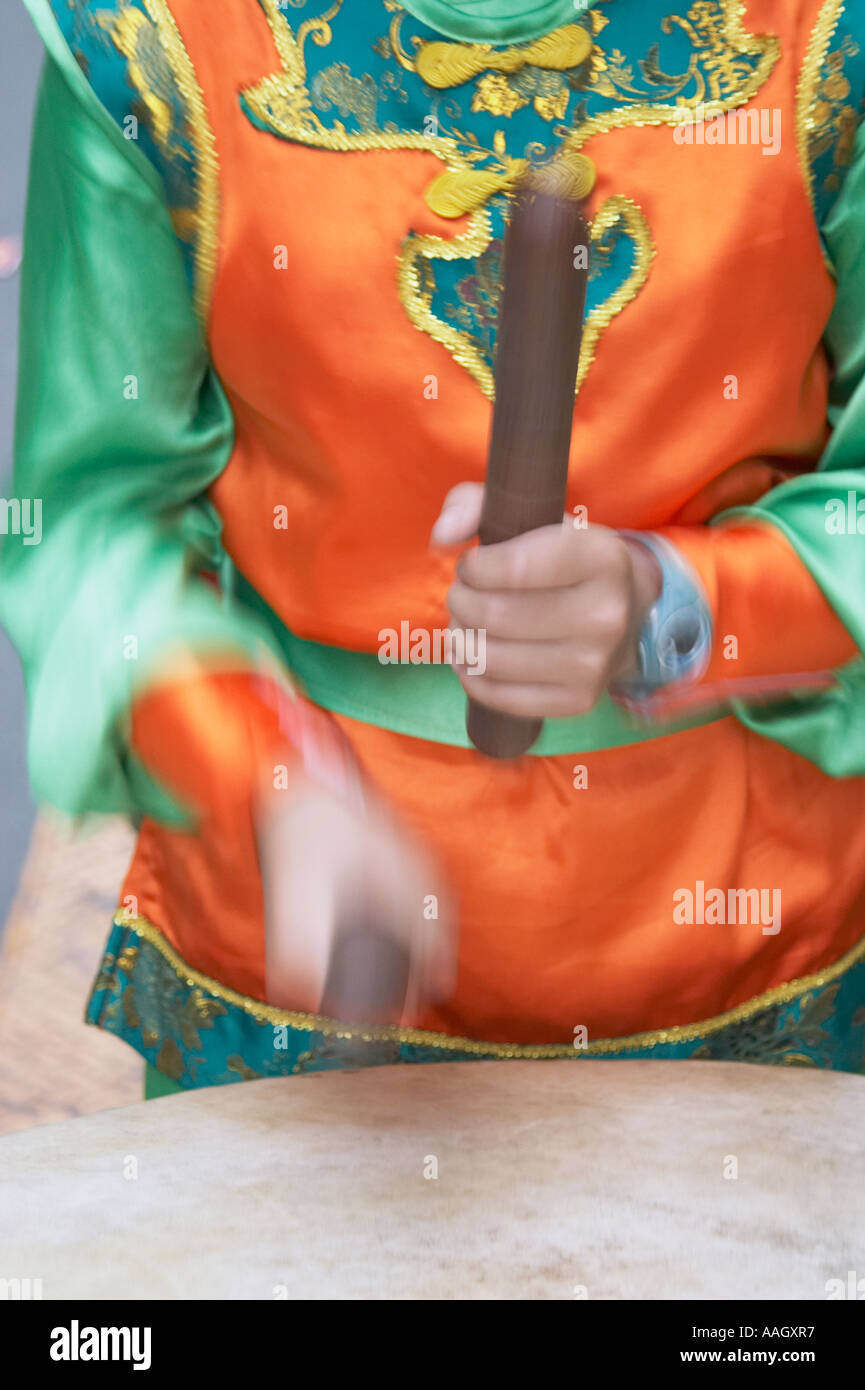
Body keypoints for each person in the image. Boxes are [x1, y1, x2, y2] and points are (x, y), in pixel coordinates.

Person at [4, 0, 865, 1097]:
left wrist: (678, 604)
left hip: (751, 935)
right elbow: (89, 518)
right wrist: (257, 775)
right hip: (302, 941)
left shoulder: (827, 31)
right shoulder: (146, 36)